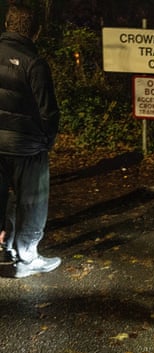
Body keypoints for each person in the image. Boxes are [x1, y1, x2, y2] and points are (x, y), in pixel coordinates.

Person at [0, 4, 61, 278]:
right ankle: (27, 258)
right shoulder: (34, 63)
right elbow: (48, 111)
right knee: (32, 203)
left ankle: (4, 250)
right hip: (27, 147)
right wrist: (45, 142)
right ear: (35, 32)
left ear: (7, 23)